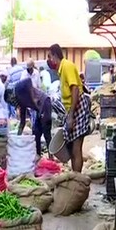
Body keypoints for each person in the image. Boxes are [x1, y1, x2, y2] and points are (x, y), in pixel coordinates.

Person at [49, 43, 91, 173]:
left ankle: (77, 179)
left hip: (78, 107)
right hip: (72, 109)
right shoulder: (61, 70)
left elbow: (75, 90)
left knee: (76, 147)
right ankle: (74, 175)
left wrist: (71, 115)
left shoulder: (67, 66)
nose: (49, 60)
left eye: (50, 57)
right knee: (72, 146)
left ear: (55, 56)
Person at [5, 77, 52, 158]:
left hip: (44, 102)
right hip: (38, 109)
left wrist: (32, 98)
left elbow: (28, 80)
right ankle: (37, 156)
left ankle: (51, 157)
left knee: (46, 132)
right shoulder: (20, 103)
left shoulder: (18, 88)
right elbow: (22, 122)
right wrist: (17, 138)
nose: (12, 104)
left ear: (11, 96)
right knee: (36, 133)